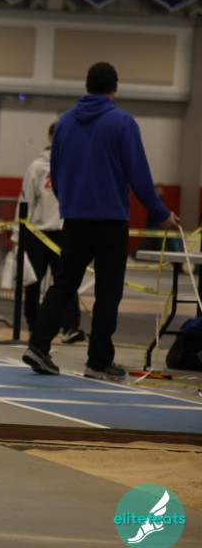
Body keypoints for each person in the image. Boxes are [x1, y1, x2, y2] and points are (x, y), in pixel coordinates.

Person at [23, 62, 179, 381]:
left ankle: (38, 346)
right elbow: (139, 174)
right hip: (110, 220)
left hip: (74, 218)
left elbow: (57, 172)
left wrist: (69, 203)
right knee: (108, 291)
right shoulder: (123, 122)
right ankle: (98, 361)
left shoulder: (65, 122)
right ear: (115, 88)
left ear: (86, 86)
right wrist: (161, 212)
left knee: (64, 283)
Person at [19, 122, 83, 343]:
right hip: (37, 232)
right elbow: (25, 200)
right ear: (51, 138)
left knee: (67, 280)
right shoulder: (37, 167)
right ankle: (34, 326)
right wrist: (18, 232)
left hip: (64, 232)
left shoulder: (75, 166)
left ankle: (70, 327)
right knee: (34, 282)